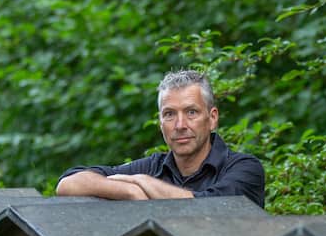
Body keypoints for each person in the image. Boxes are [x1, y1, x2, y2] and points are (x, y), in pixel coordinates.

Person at [56, 70, 265, 207]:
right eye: (170, 114)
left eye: (191, 112)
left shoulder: (244, 169)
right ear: (160, 122)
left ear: (212, 118)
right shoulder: (154, 167)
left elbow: (205, 209)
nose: (180, 125)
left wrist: (143, 181)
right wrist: (130, 191)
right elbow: (68, 184)